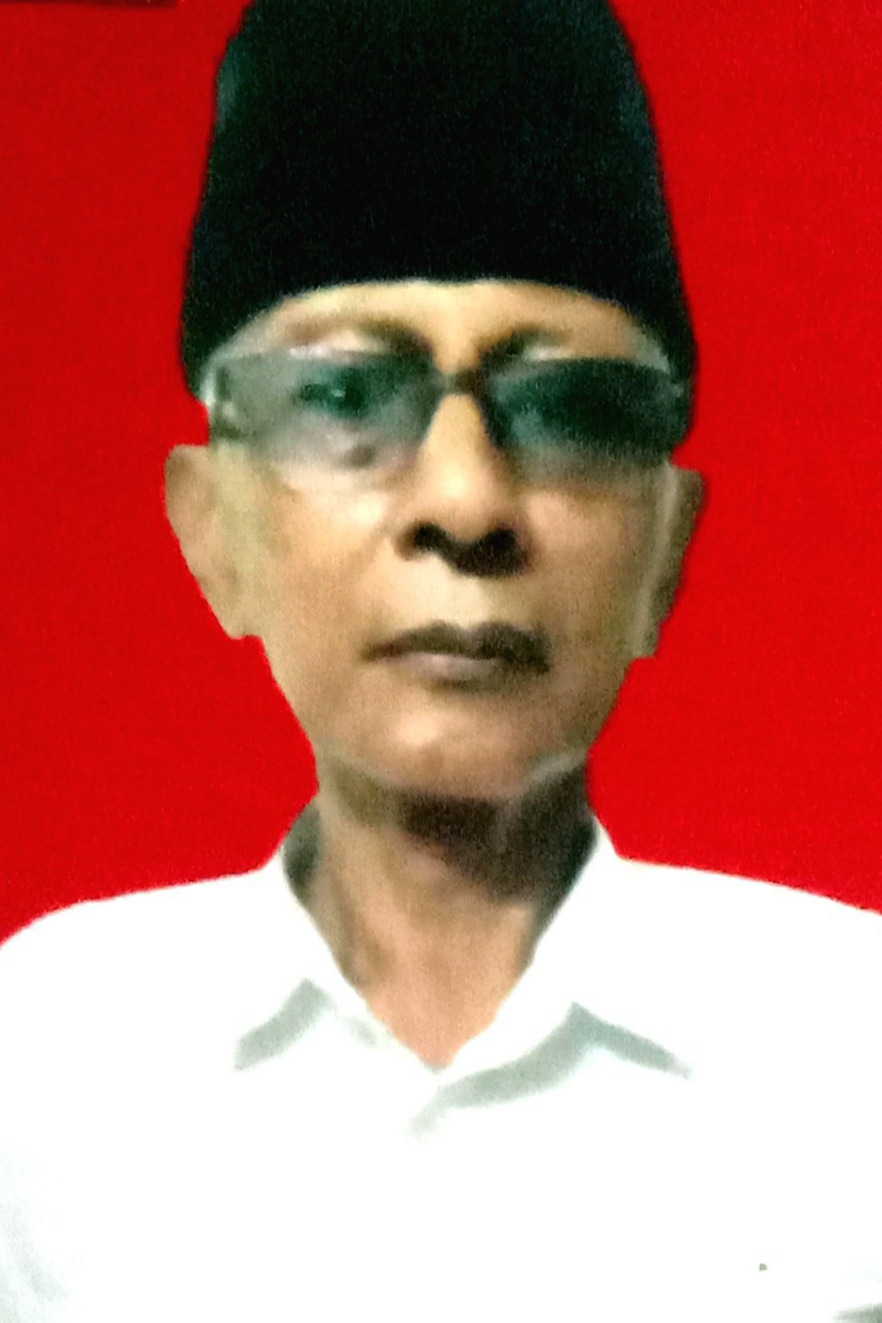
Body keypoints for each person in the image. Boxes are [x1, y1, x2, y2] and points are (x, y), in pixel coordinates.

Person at [1, 0, 880, 1320]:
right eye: (345, 395)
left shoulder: (853, 1051)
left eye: (568, 409)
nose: (465, 503)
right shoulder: (43, 1060)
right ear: (209, 528)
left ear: (667, 548)